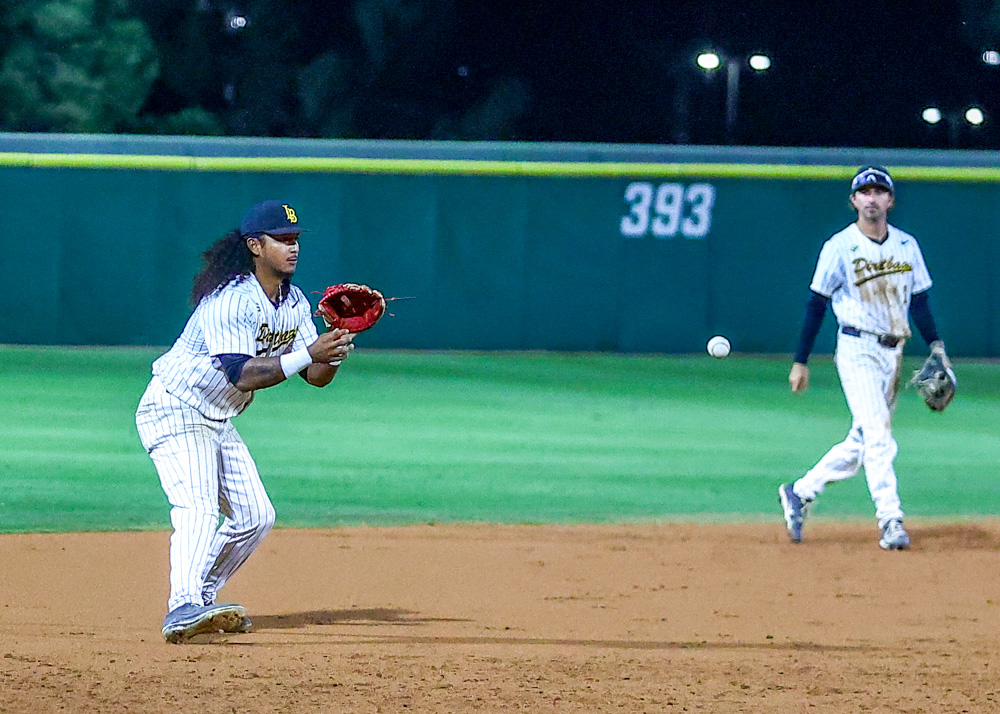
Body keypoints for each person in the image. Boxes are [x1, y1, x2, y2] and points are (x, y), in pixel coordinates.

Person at [135, 200, 355, 642]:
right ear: (255, 245)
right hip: (176, 407)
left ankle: (202, 598)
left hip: (217, 417)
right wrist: (307, 353)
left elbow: (315, 376)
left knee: (256, 516)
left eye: (295, 239)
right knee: (197, 508)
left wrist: (334, 347)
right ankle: (183, 605)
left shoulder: (293, 302)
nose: (293, 247)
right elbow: (242, 373)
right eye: (282, 239)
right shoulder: (232, 298)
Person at [778, 166, 949, 550]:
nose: (872, 198)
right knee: (879, 436)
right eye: (865, 192)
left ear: (890, 200)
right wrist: (801, 360)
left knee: (862, 439)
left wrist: (936, 346)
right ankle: (891, 520)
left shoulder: (906, 245)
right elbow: (816, 304)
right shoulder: (839, 246)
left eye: (879, 191)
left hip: (894, 352)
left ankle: (800, 492)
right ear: (854, 200)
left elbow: (919, 301)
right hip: (857, 349)